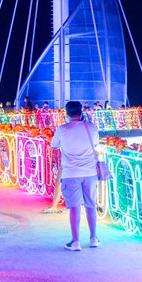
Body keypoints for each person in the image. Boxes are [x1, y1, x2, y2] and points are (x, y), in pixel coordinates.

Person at [50, 99, 100, 250]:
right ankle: (93, 238)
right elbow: (96, 144)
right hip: (90, 172)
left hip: (71, 173)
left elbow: (54, 145)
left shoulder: (62, 129)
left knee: (74, 207)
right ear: (81, 112)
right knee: (91, 205)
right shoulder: (91, 128)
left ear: (67, 113)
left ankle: (76, 241)